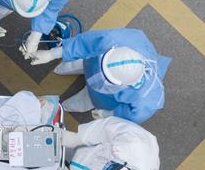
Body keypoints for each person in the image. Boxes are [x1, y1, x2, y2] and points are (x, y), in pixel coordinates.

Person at [31, 28, 170, 124]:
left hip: (101, 98)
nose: (98, 78)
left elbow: (131, 115)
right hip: (91, 64)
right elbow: (84, 43)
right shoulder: (112, 40)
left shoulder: (147, 98)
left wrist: (107, 114)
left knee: (82, 101)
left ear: (125, 84)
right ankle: (65, 72)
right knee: (75, 64)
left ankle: (65, 107)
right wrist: (51, 54)